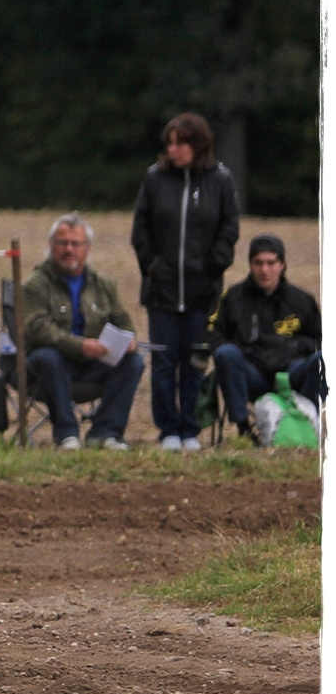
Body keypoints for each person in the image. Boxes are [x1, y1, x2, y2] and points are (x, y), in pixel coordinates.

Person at [130, 112, 240, 451]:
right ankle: (168, 430)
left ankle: (190, 428)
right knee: (164, 363)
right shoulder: (155, 179)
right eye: (170, 143)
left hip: (202, 294)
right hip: (161, 293)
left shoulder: (220, 180)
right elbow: (141, 229)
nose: (173, 149)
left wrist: (212, 268)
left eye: (181, 143)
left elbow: (229, 228)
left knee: (194, 362)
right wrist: (151, 266)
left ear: (198, 145)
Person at [17, 213, 145, 451]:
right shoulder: (34, 285)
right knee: (48, 357)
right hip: (49, 368)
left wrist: (128, 339)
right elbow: (38, 329)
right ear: (51, 245)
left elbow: (123, 321)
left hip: (93, 363)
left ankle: (106, 433)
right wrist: (81, 346)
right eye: (62, 243)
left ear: (87, 248)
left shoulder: (103, 284)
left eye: (75, 244)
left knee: (133, 362)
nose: (69, 249)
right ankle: (66, 435)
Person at [207, 233, 323, 442]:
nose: (264, 270)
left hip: (293, 373)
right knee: (225, 353)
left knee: (325, 359)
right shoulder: (232, 297)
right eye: (258, 263)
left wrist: (292, 345)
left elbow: (320, 339)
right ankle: (243, 430)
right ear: (250, 264)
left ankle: (305, 421)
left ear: (282, 264)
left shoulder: (302, 300)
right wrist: (244, 349)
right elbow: (215, 335)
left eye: (271, 263)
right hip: (253, 375)